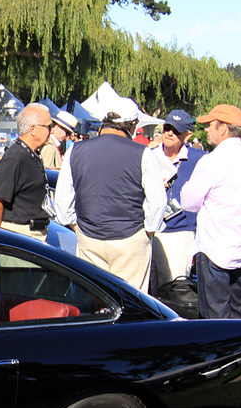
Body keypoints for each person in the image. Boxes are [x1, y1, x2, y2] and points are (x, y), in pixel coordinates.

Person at [55, 110, 164, 291]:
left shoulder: (75, 150)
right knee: (131, 301)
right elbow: (157, 202)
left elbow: (62, 199)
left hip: (89, 236)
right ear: (132, 125)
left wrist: (76, 226)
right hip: (130, 237)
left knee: (94, 296)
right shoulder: (143, 152)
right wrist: (148, 232)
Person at [179, 103, 241, 320]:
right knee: (237, 311)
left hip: (215, 246)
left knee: (214, 317)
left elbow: (188, 201)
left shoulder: (213, 160)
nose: (206, 129)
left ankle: (219, 354)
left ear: (223, 129)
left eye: (210, 125)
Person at [146, 110, 205, 286]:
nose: (170, 133)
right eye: (167, 128)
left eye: (176, 130)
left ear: (188, 135)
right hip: (148, 229)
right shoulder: (148, 155)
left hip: (179, 232)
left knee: (174, 286)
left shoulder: (199, 160)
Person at [0, 103, 52, 241]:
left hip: (35, 233)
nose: (51, 132)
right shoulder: (15, 157)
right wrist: (0, 238)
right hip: (19, 234)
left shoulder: (32, 155)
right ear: (33, 129)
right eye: (48, 127)